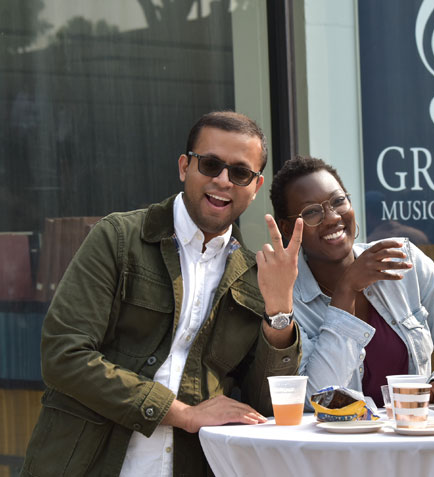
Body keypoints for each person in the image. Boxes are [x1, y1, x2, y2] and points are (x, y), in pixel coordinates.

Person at [21, 111, 304, 477]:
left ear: (255, 185)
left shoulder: (254, 275)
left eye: (239, 173)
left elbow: (266, 404)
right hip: (86, 462)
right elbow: (64, 355)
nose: (223, 181)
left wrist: (280, 308)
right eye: (211, 165)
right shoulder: (119, 239)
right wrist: (183, 414)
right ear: (185, 166)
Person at [270, 155, 434, 407]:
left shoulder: (403, 259)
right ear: (286, 227)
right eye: (312, 212)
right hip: (343, 445)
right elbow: (318, 396)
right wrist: (346, 291)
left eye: (338, 201)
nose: (332, 217)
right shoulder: (288, 302)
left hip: (413, 435)